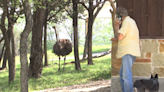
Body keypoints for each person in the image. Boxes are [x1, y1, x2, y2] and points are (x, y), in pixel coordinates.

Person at [111, 7, 141, 92]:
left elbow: (121, 36)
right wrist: (117, 38)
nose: (116, 18)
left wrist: (117, 26)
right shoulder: (131, 21)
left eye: (117, 16)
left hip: (127, 52)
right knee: (122, 75)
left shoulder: (126, 22)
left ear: (120, 16)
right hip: (131, 51)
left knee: (126, 76)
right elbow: (127, 36)